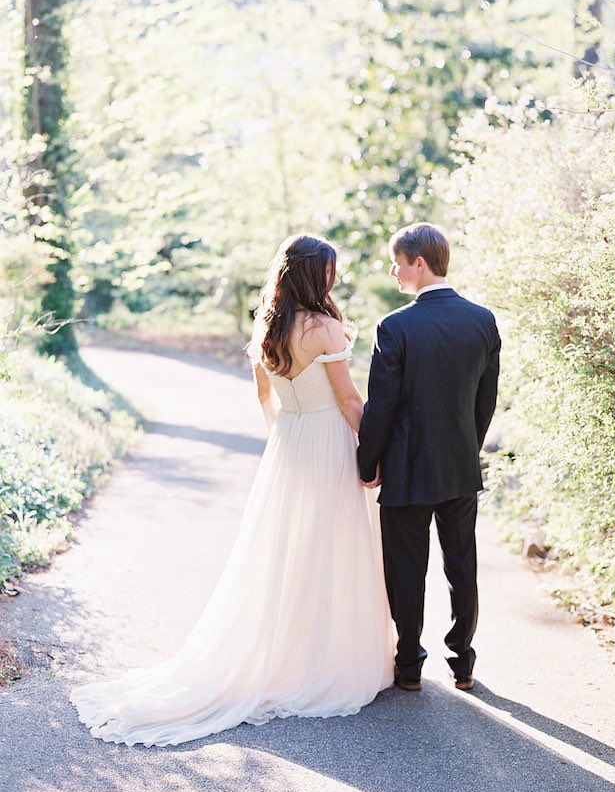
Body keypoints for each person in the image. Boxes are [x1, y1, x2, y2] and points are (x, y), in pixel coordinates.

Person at [71, 235, 394, 747]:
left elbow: (265, 396)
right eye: (330, 269)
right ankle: (323, 659)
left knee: (286, 552)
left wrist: (285, 443)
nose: (335, 277)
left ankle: (286, 652)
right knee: (331, 546)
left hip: (289, 442)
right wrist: (372, 452)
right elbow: (351, 401)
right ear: (315, 274)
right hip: (328, 440)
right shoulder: (324, 328)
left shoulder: (270, 325)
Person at [357, 222, 500, 692]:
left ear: (419, 262)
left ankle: (409, 665)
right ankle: (463, 664)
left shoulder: (395, 326)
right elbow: (485, 401)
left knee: (406, 569)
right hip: (460, 465)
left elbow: (382, 404)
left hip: (405, 468)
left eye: (397, 261)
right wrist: (466, 446)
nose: (393, 270)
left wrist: (367, 460)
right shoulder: (482, 321)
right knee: (462, 567)